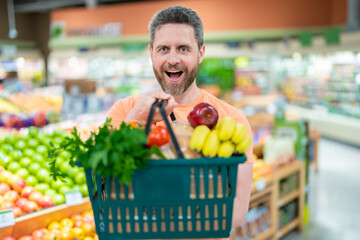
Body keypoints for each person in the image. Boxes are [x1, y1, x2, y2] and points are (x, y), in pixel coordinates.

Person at [107, 5, 253, 236]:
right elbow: (104, 190)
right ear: (151, 53)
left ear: (201, 52)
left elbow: (236, 213)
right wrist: (136, 118)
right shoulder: (124, 110)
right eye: (163, 49)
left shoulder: (231, 122)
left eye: (183, 49)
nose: (172, 59)